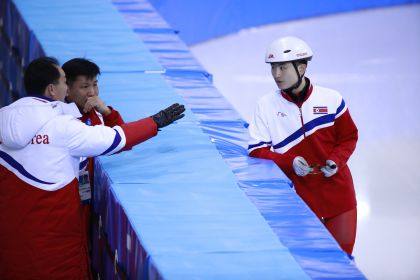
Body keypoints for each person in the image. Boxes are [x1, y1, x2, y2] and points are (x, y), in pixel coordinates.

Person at [0, 57, 185, 279]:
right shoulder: (63, 127)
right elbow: (115, 139)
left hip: (12, 241)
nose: (67, 87)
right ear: (52, 90)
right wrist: (155, 121)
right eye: (64, 82)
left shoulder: (5, 118)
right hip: (55, 244)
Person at [247, 36, 358, 256]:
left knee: (341, 265)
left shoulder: (332, 99)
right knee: (306, 265)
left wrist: (336, 161)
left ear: (301, 67)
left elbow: (348, 137)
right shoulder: (266, 105)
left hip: (340, 199)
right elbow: (256, 149)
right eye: (273, 68)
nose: (276, 75)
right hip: (298, 204)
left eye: (283, 67)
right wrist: (289, 161)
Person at [62, 58, 124, 266]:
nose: (92, 92)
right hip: (67, 197)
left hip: (88, 195)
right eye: (85, 86)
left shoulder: (96, 113)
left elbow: (123, 141)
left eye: (95, 84)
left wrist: (107, 112)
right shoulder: (60, 118)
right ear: (66, 89)